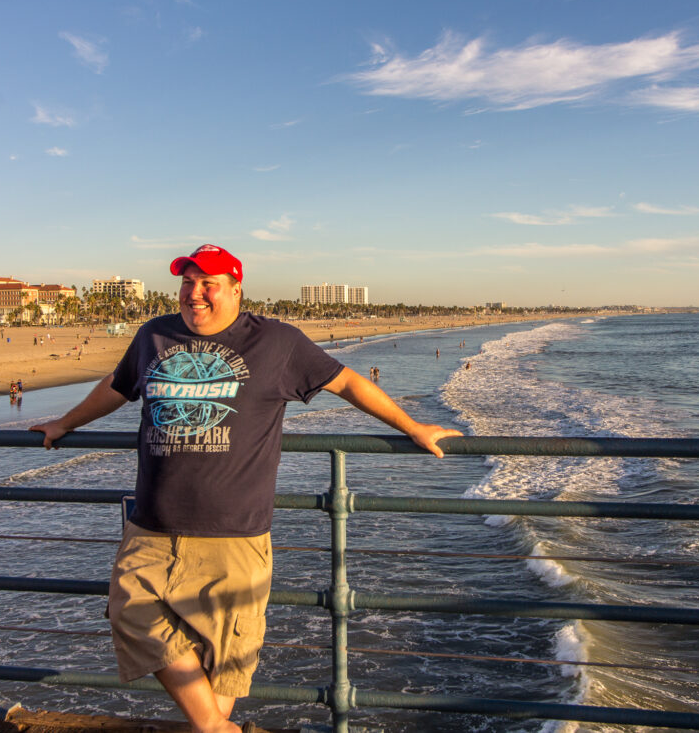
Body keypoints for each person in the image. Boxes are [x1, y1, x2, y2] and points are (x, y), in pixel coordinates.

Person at [31, 244, 460, 733]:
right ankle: (215, 729)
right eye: (188, 282)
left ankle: (212, 726)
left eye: (208, 284)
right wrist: (63, 423)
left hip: (233, 535)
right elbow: (117, 385)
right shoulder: (154, 335)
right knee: (129, 610)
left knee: (225, 662)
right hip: (151, 526)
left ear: (236, 290)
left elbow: (347, 384)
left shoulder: (277, 342)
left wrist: (412, 427)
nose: (195, 294)